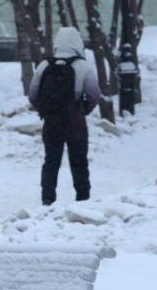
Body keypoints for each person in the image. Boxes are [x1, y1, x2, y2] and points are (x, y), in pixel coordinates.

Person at [28, 27, 102, 205]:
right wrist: (82, 110)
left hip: (52, 122)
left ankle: (47, 199)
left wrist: (45, 110)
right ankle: (83, 199)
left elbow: (32, 95)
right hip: (75, 122)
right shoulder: (83, 66)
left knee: (51, 161)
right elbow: (94, 95)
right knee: (79, 161)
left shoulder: (44, 65)